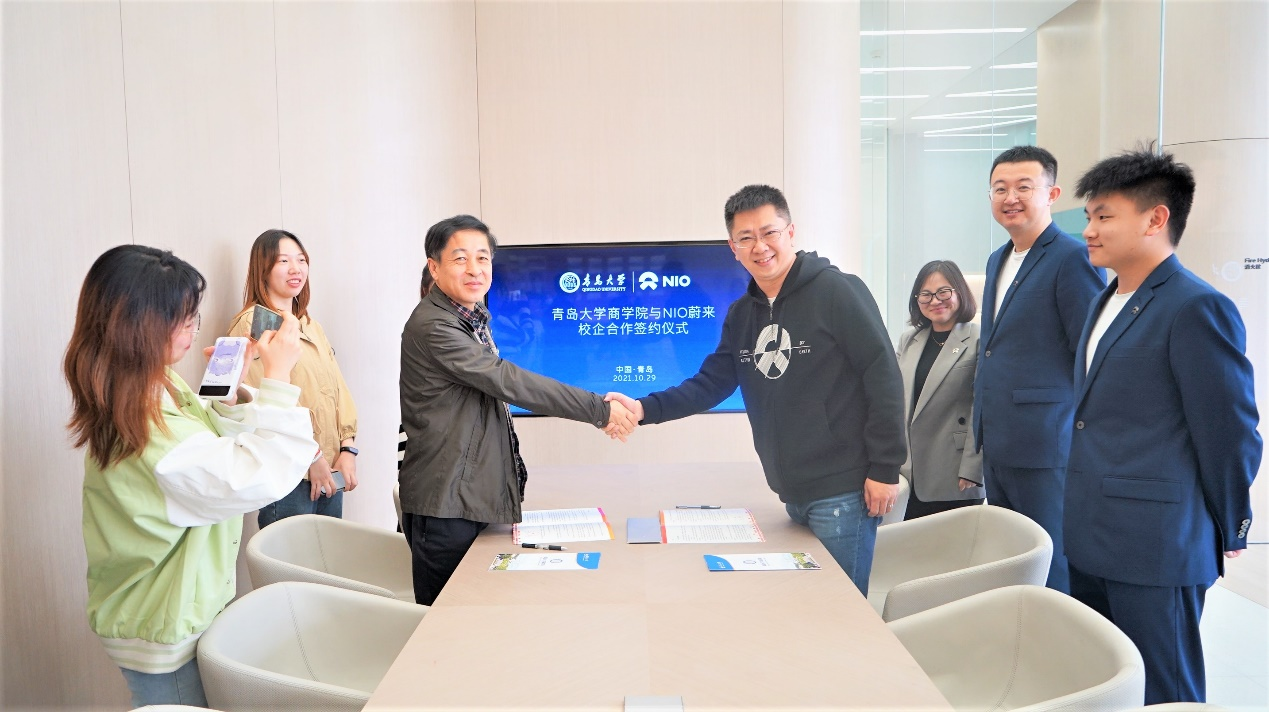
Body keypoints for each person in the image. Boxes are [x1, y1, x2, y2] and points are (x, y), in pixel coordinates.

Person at [607, 185, 906, 596]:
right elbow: (710, 383)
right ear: (733, 248)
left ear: (790, 232)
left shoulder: (837, 291)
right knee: (802, 605)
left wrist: (886, 468)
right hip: (792, 494)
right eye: (746, 238)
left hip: (843, 492)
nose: (760, 247)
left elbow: (883, 376)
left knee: (839, 610)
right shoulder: (742, 314)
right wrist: (643, 408)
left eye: (769, 233)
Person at [64, 245, 316, 708]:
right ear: (138, 327)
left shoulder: (149, 383)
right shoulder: (146, 425)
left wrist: (228, 397)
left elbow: (205, 445)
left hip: (172, 606)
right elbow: (253, 476)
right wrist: (278, 378)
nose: (192, 330)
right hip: (163, 625)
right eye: (183, 320)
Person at [1066, 148, 1261, 704]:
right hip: (1092, 530)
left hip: (1156, 542)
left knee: (1165, 689)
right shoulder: (1105, 299)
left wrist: (1230, 522)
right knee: (1104, 682)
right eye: (1089, 216)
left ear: (1155, 219)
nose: (1089, 230)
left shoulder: (1195, 306)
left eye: (1104, 216)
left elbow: (1229, 431)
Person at [398, 214, 638, 605]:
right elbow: (508, 380)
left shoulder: (468, 318)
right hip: (447, 507)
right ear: (434, 267)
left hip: (464, 497)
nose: (475, 269)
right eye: (460, 258)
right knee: (450, 624)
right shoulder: (435, 326)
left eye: (483, 258)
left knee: (481, 616)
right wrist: (600, 409)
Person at [973, 145, 1105, 593]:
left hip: (1046, 443)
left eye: (1024, 187)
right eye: (1000, 188)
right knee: (1009, 558)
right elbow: (994, 350)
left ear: (1052, 194)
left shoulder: (1071, 258)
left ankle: (1055, 636)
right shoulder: (997, 259)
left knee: (1050, 561)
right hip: (998, 440)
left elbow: (1090, 354)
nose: (1010, 197)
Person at [227, 229, 359, 527]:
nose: (296, 269)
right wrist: (312, 458)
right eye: (283, 261)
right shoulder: (256, 323)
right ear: (263, 270)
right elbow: (264, 401)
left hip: (330, 467)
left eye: (301, 260)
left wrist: (347, 449)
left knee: (326, 555)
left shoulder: (309, 324)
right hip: (291, 472)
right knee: (291, 555)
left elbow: (338, 388)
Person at [895, 260, 984, 519]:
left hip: (955, 471)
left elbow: (983, 407)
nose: (935, 300)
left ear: (960, 292)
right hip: (909, 471)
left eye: (943, 292)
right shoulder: (909, 339)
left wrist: (973, 468)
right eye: (926, 294)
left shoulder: (979, 339)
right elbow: (895, 400)